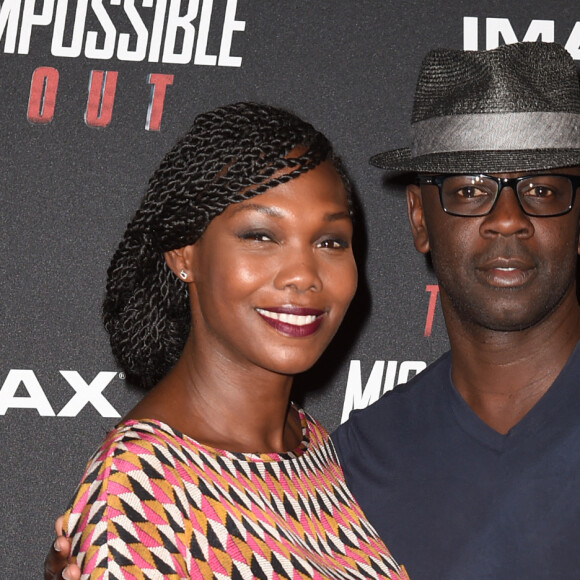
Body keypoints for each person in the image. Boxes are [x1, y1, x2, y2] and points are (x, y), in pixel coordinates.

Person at [43, 102, 409, 579]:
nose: (304, 275)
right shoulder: (142, 489)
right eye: (261, 236)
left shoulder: (309, 443)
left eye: (330, 242)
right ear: (184, 255)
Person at [332, 41, 580, 579]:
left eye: (542, 188)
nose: (508, 219)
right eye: (470, 190)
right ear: (420, 219)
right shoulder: (361, 459)